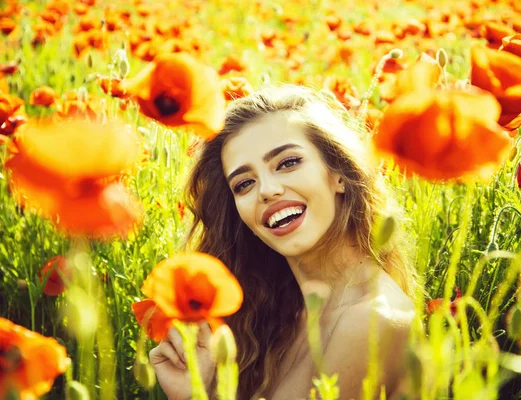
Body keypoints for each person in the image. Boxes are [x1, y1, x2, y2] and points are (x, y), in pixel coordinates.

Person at [148, 85, 419, 400]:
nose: (266, 189)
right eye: (244, 183)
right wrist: (198, 388)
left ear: (339, 174)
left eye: (288, 163)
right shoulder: (276, 317)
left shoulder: (371, 321)